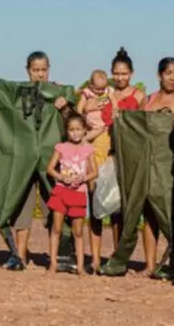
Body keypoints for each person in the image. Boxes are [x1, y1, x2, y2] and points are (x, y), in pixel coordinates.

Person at [7, 51, 76, 271]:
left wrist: (65, 106)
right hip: (25, 157)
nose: (39, 74)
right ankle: (19, 255)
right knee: (22, 204)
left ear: (49, 69)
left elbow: (73, 125)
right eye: (35, 70)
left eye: (43, 70)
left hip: (51, 157)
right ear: (27, 70)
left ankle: (59, 256)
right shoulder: (19, 94)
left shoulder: (57, 93)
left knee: (54, 205)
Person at [87, 47, 145, 273]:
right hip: (100, 152)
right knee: (96, 205)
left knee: (118, 208)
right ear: (112, 73)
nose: (120, 78)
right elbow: (86, 115)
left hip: (124, 156)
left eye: (124, 73)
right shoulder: (103, 94)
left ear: (131, 73)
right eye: (117, 73)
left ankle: (118, 257)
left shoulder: (139, 97)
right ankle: (94, 258)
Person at [139, 57, 174, 277]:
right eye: (168, 73)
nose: (172, 78)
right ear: (159, 75)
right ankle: (149, 265)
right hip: (150, 163)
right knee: (149, 214)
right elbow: (137, 130)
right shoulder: (149, 101)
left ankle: (173, 265)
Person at [46, 114, 98, 274]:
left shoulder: (88, 149)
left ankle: (80, 267)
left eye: (78, 129)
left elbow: (95, 172)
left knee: (78, 232)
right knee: (56, 229)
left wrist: (84, 177)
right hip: (61, 192)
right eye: (71, 130)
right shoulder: (60, 147)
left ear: (84, 131)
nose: (75, 133)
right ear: (67, 132)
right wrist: (61, 177)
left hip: (78, 194)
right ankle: (53, 264)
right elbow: (50, 169)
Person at [77, 69, 115, 142]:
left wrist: (115, 108)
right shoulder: (87, 91)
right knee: (100, 128)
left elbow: (113, 99)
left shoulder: (108, 90)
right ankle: (86, 139)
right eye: (97, 89)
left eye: (102, 89)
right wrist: (79, 114)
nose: (100, 91)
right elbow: (81, 103)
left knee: (99, 128)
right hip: (92, 116)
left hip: (100, 116)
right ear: (91, 85)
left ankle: (88, 135)